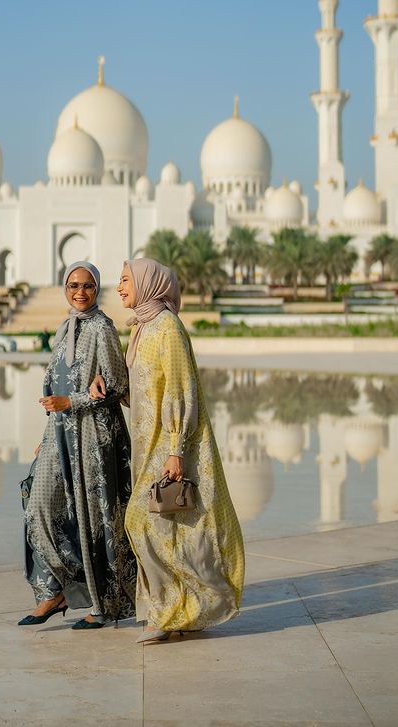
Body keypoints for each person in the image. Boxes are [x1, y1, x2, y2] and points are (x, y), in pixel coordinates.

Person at [91, 258, 244, 643]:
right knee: (163, 528)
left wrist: (176, 449)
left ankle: (175, 609)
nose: (120, 287)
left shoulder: (168, 329)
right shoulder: (143, 328)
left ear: (147, 284)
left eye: (125, 280)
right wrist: (109, 388)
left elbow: (180, 390)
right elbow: (142, 392)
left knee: (143, 521)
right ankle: (174, 611)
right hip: (148, 444)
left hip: (170, 445)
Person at [19, 261, 136, 630]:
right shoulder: (64, 328)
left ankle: (100, 604)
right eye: (73, 285)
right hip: (59, 436)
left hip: (93, 440)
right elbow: (56, 387)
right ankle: (55, 592)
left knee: (92, 520)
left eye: (87, 286)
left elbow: (118, 387)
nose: (80, 292)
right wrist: (45, 437)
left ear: (97, 289)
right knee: (38, 506)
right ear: (64, 288)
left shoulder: (102, 328)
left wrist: (75, 402)